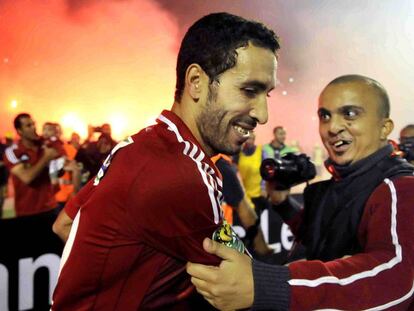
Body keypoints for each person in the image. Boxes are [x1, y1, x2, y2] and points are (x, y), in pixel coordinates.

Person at [51, 12, 279, 310]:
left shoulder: (141, 145)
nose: (263, 115)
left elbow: (65, 224)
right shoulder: (183, 174)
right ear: (196, 82)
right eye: (249, 90)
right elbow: (244, 287)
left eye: (267, 95)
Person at [187, 74, 414, 310]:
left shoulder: (400, 188)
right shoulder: (337, 182)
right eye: (325, 116)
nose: (333, 127)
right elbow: (318, 234)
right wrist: (283, 204)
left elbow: (397, 277)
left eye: (350, 114)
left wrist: (268, 284)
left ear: (384, 128)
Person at [2, 113, 59, 217]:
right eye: (28, 126)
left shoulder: (45, 145)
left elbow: (57, 170)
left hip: (50, 207)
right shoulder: (13, 152)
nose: (33, 127)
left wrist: (61, 166)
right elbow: (27, 177)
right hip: (27, 212)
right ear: (20, 131)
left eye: (33, 124)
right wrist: (46, 158)